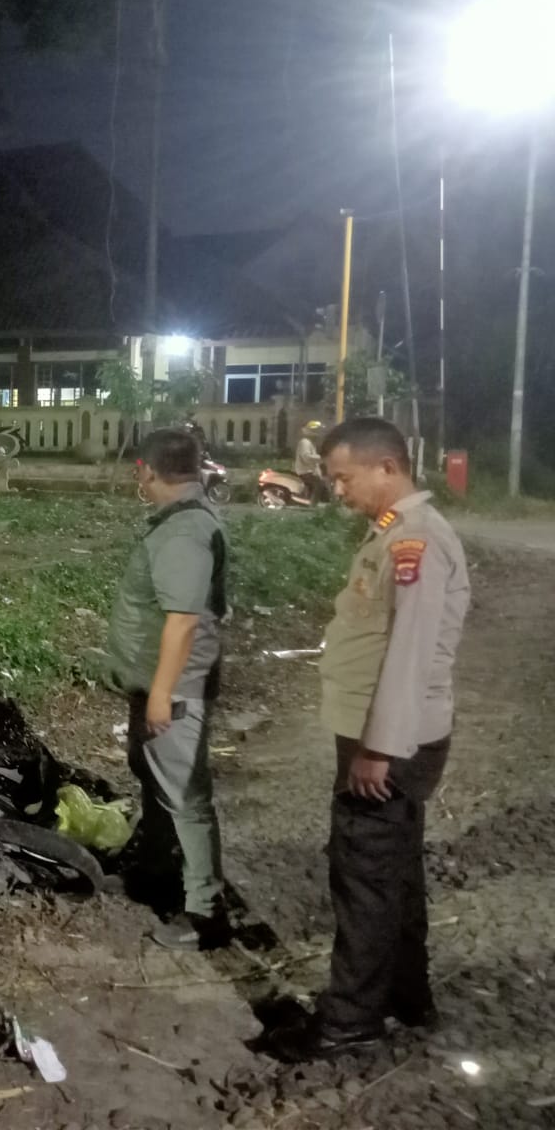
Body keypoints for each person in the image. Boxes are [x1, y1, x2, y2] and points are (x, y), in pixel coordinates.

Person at [268, 418, 470, 1062]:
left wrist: (378, 748)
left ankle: (350, 1019)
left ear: (387, 467)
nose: (337, 490)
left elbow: (407, 652)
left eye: (343, 477)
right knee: (394, 873)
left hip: (386, 743)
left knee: (364, 878)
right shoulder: (395, 535)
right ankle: (406, 997)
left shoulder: (416, 543)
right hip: (385, 735)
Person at [106, 428, 230, 950]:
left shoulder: (183, 533)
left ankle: (205, 912)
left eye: (140, 471)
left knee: (184, 797)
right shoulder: (181, 523)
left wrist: (161, 693)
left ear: (148, 471)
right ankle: (156, 874)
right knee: (159, 786)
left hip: (172, 688)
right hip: (158, 682)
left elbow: (181, 622)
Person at [294, 419, 326, 502]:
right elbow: (306, 457)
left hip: (308, 471)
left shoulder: (310, 443)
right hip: (305, 471)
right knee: (319, 484)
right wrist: (322, 458)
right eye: (316, 431)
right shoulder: (305, 442)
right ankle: (312, 504)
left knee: (322, 482)